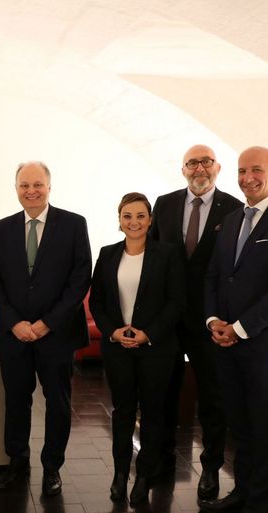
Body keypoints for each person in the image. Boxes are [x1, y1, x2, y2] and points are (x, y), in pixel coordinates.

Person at [201, 146, 268, 513]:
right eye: (242, 170)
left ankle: (258, 503)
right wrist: (213, 321)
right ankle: (241, 492)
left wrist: (239, 328)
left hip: (263, 348)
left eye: (257, 170)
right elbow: (215, 275)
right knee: (239, 427)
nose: (248, 178)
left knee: (264, 430)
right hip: (225, 344)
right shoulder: (231, 219)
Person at [0, 161, 91, 497]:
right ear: (16, 188)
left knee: (57, 403)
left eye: (37, 184)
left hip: (56, 335)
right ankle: (17, 462)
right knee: (16, 401)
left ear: (49, 186)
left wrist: (47, 323)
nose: (31, 191)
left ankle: (52, 467)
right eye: (24, 185)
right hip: (14, 335)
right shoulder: (1, 228)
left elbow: (80, 279)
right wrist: (14, 322)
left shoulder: (73, 224)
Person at [149, 145, 242, 499]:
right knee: (163, 391)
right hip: (168, 318)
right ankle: (162, 459)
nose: (199, 168)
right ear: (183, 169)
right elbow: (153, 258)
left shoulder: (234, 209)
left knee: (212, 397)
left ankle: (211, 469)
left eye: (206, 162)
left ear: (217, 167)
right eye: (192, 163)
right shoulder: (164, 204)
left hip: (210, 319)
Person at [89, 192, 186, 505]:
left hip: (156, 348)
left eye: (141, 216)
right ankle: (120, 474)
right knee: (122, 412)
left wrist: (148, 334)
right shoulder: (107, 254)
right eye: (127, 216)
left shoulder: (168, 254)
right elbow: (98, 301)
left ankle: (144, 475)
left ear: (150, 220)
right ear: (119, 220)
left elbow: (177, 301)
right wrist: (113, 332)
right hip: (118, 347)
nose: (134, 222)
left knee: (154, 413)